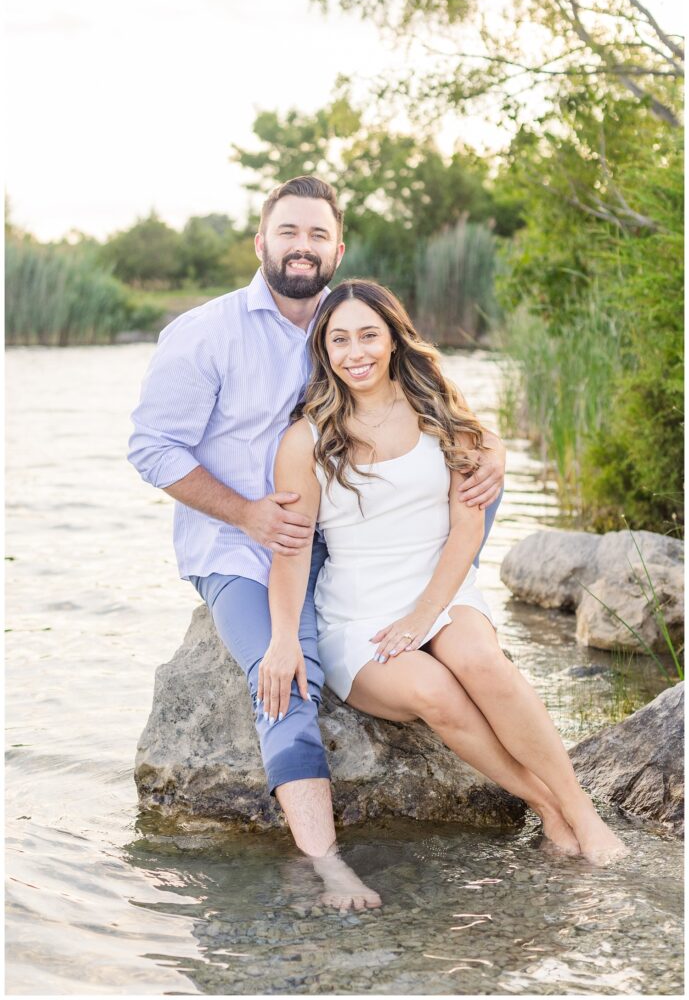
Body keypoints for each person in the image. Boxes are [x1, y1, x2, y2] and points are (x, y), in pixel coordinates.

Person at [128, 176, 507, 911]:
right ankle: (326, 864)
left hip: (354, 539)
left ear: (337, 247)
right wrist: (245, 513)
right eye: (287, 232)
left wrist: (488, 448)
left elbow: (436, 397)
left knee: (470, 490)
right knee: (284, 676)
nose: (300, 247)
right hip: (247, 547)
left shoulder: (350, 321)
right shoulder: (205, 332)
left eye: (315, 235)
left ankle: (443, 610)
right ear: (261, 242)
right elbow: (151, 448)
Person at [263, 278, 630, 870]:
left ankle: (582, 812)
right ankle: (548, 806)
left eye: (368, 335)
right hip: (358, 616)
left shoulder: (440, 415)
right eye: (339, 340)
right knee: (435, 691)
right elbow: (291, 551)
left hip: (443, 590)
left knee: (482, 663)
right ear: (323, 352)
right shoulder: (304, 441)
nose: (355, 353)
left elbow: (466, 532)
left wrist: (423, 615)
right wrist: (283, 640)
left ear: (393, 340)